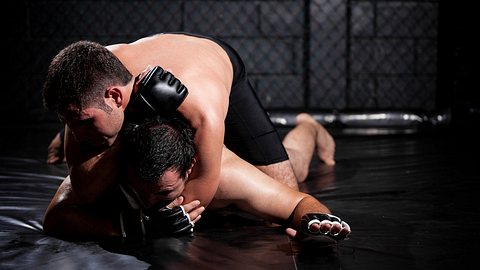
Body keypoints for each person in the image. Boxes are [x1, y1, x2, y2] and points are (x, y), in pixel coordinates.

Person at [42, 32, 336, 217]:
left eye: (80, 123)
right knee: (93, 132)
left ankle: (310, 128)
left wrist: (151, 222)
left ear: (116, 97)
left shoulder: (201, 108)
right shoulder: (87, 81)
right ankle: (94, 126)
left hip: (215, 70)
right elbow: (84, 190)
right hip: (119, 99)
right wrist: (132, 117)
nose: (78, 133)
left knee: (287, 182)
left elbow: (194, 199)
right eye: (70, 123)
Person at [43, 113, 350, 241]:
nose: (151, 204)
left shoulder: (227, 176)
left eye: (163, 195)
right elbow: (56, 216)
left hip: (223, 126)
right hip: (149, 127)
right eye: (140, 192)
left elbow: (301, 204)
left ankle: (310, 127)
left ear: (190, 170)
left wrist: (316, 223)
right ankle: (63, 133)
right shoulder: (111, 169)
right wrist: (131, 226)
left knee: (293, 170)